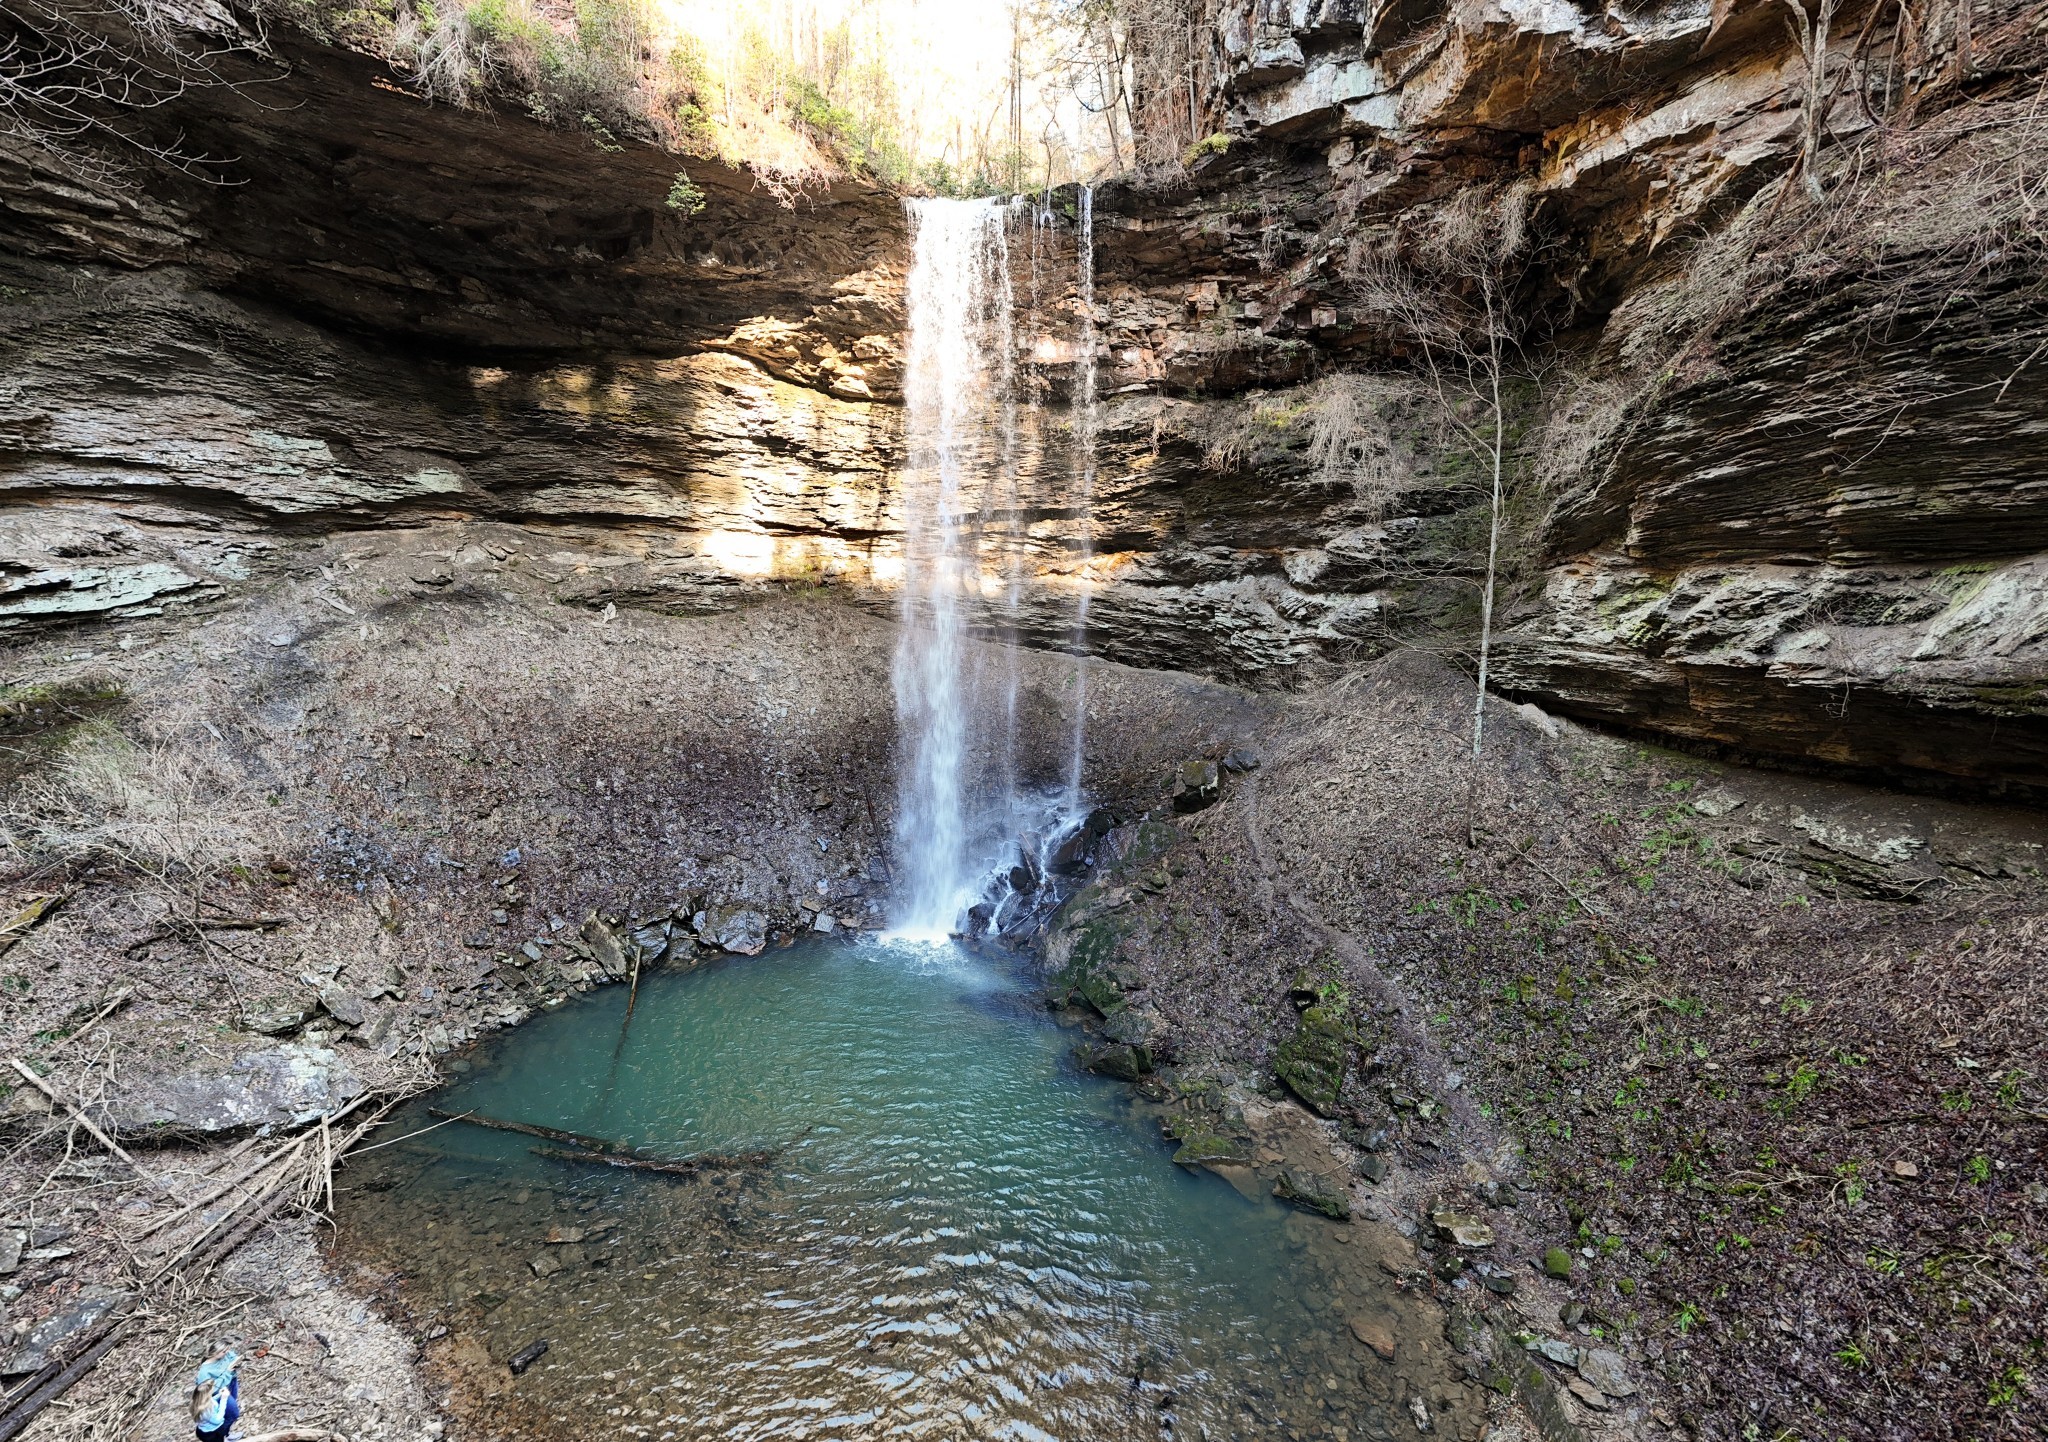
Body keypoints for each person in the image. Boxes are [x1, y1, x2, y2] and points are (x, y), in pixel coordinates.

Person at [190, 1347, 241, 1442]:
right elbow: (218, 1419)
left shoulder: (197, 1403)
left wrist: (219, 1395)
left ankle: (226, 1437)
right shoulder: (208, 1407)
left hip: (202, 1431)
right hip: (212, 1433)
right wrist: (224, 1399)